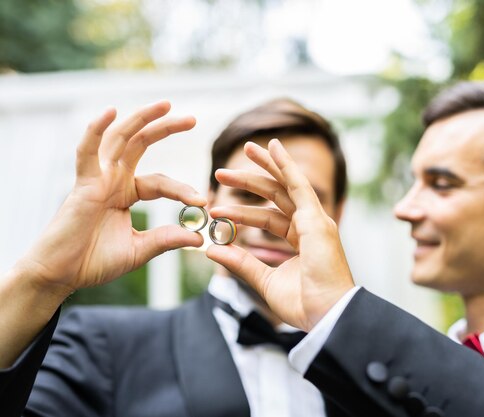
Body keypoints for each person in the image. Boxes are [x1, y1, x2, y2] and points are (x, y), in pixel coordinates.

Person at [203, 81, 484, 417]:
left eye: (442, 185)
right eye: (413, 181)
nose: (404, 209)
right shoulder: (376, 377)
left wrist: (340, 312)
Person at [0, 98, 349, 416]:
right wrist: (40, 281)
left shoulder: (370, 365)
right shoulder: (102, 345)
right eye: (250, 194)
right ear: (210, 199)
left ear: (338, 213)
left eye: (302, 201)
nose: (273, 222)